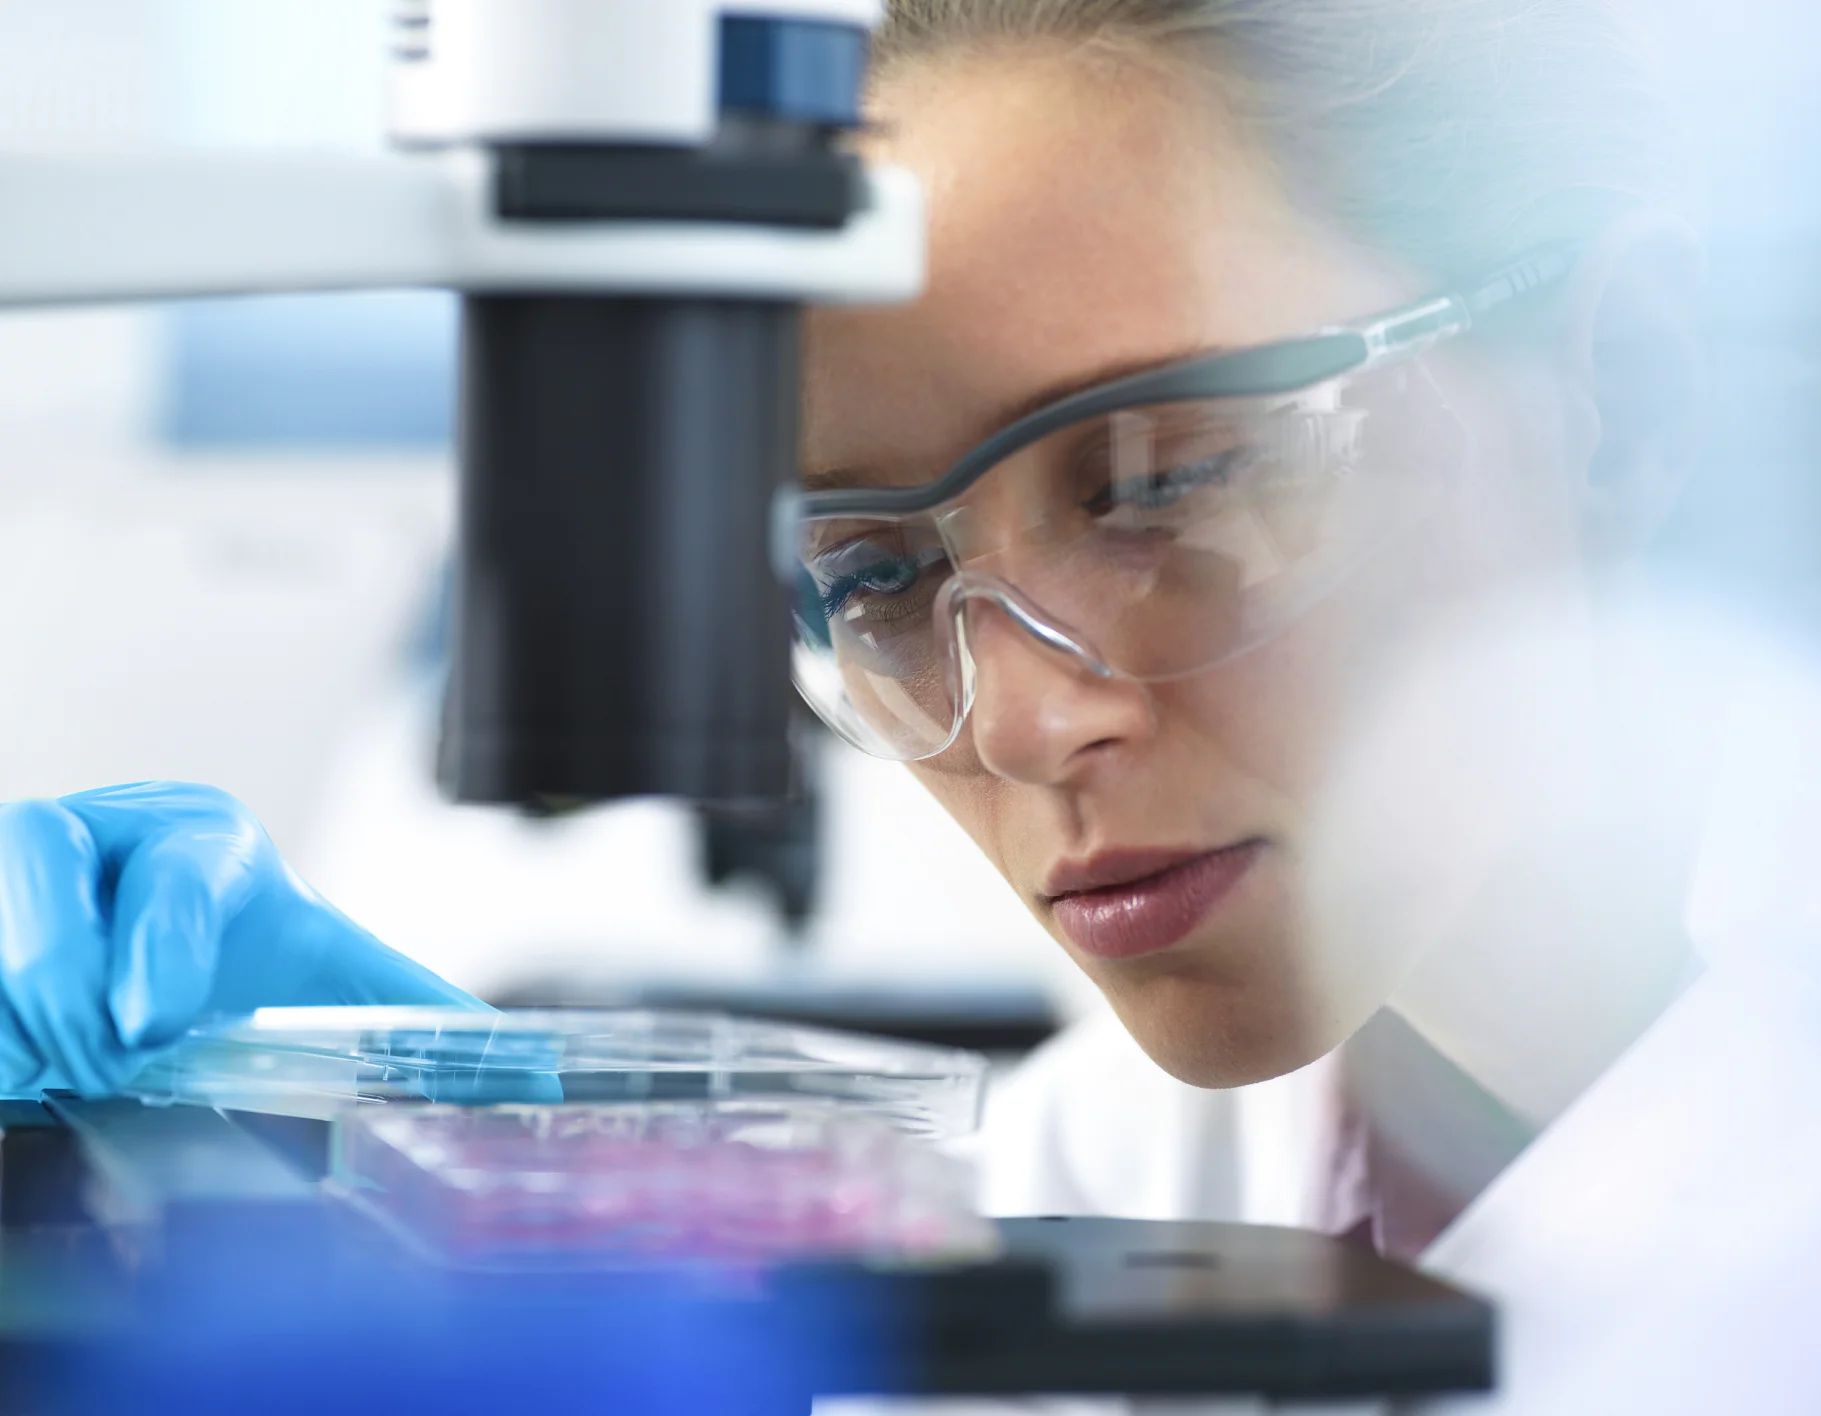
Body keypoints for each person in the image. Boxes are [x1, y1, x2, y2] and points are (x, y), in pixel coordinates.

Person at [0, 0, 1710, 1251]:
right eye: (875, 578)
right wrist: (343, 1171)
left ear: (1622, 391)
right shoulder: (1147, 1181)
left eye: (1166, 483)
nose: (1024, 725)